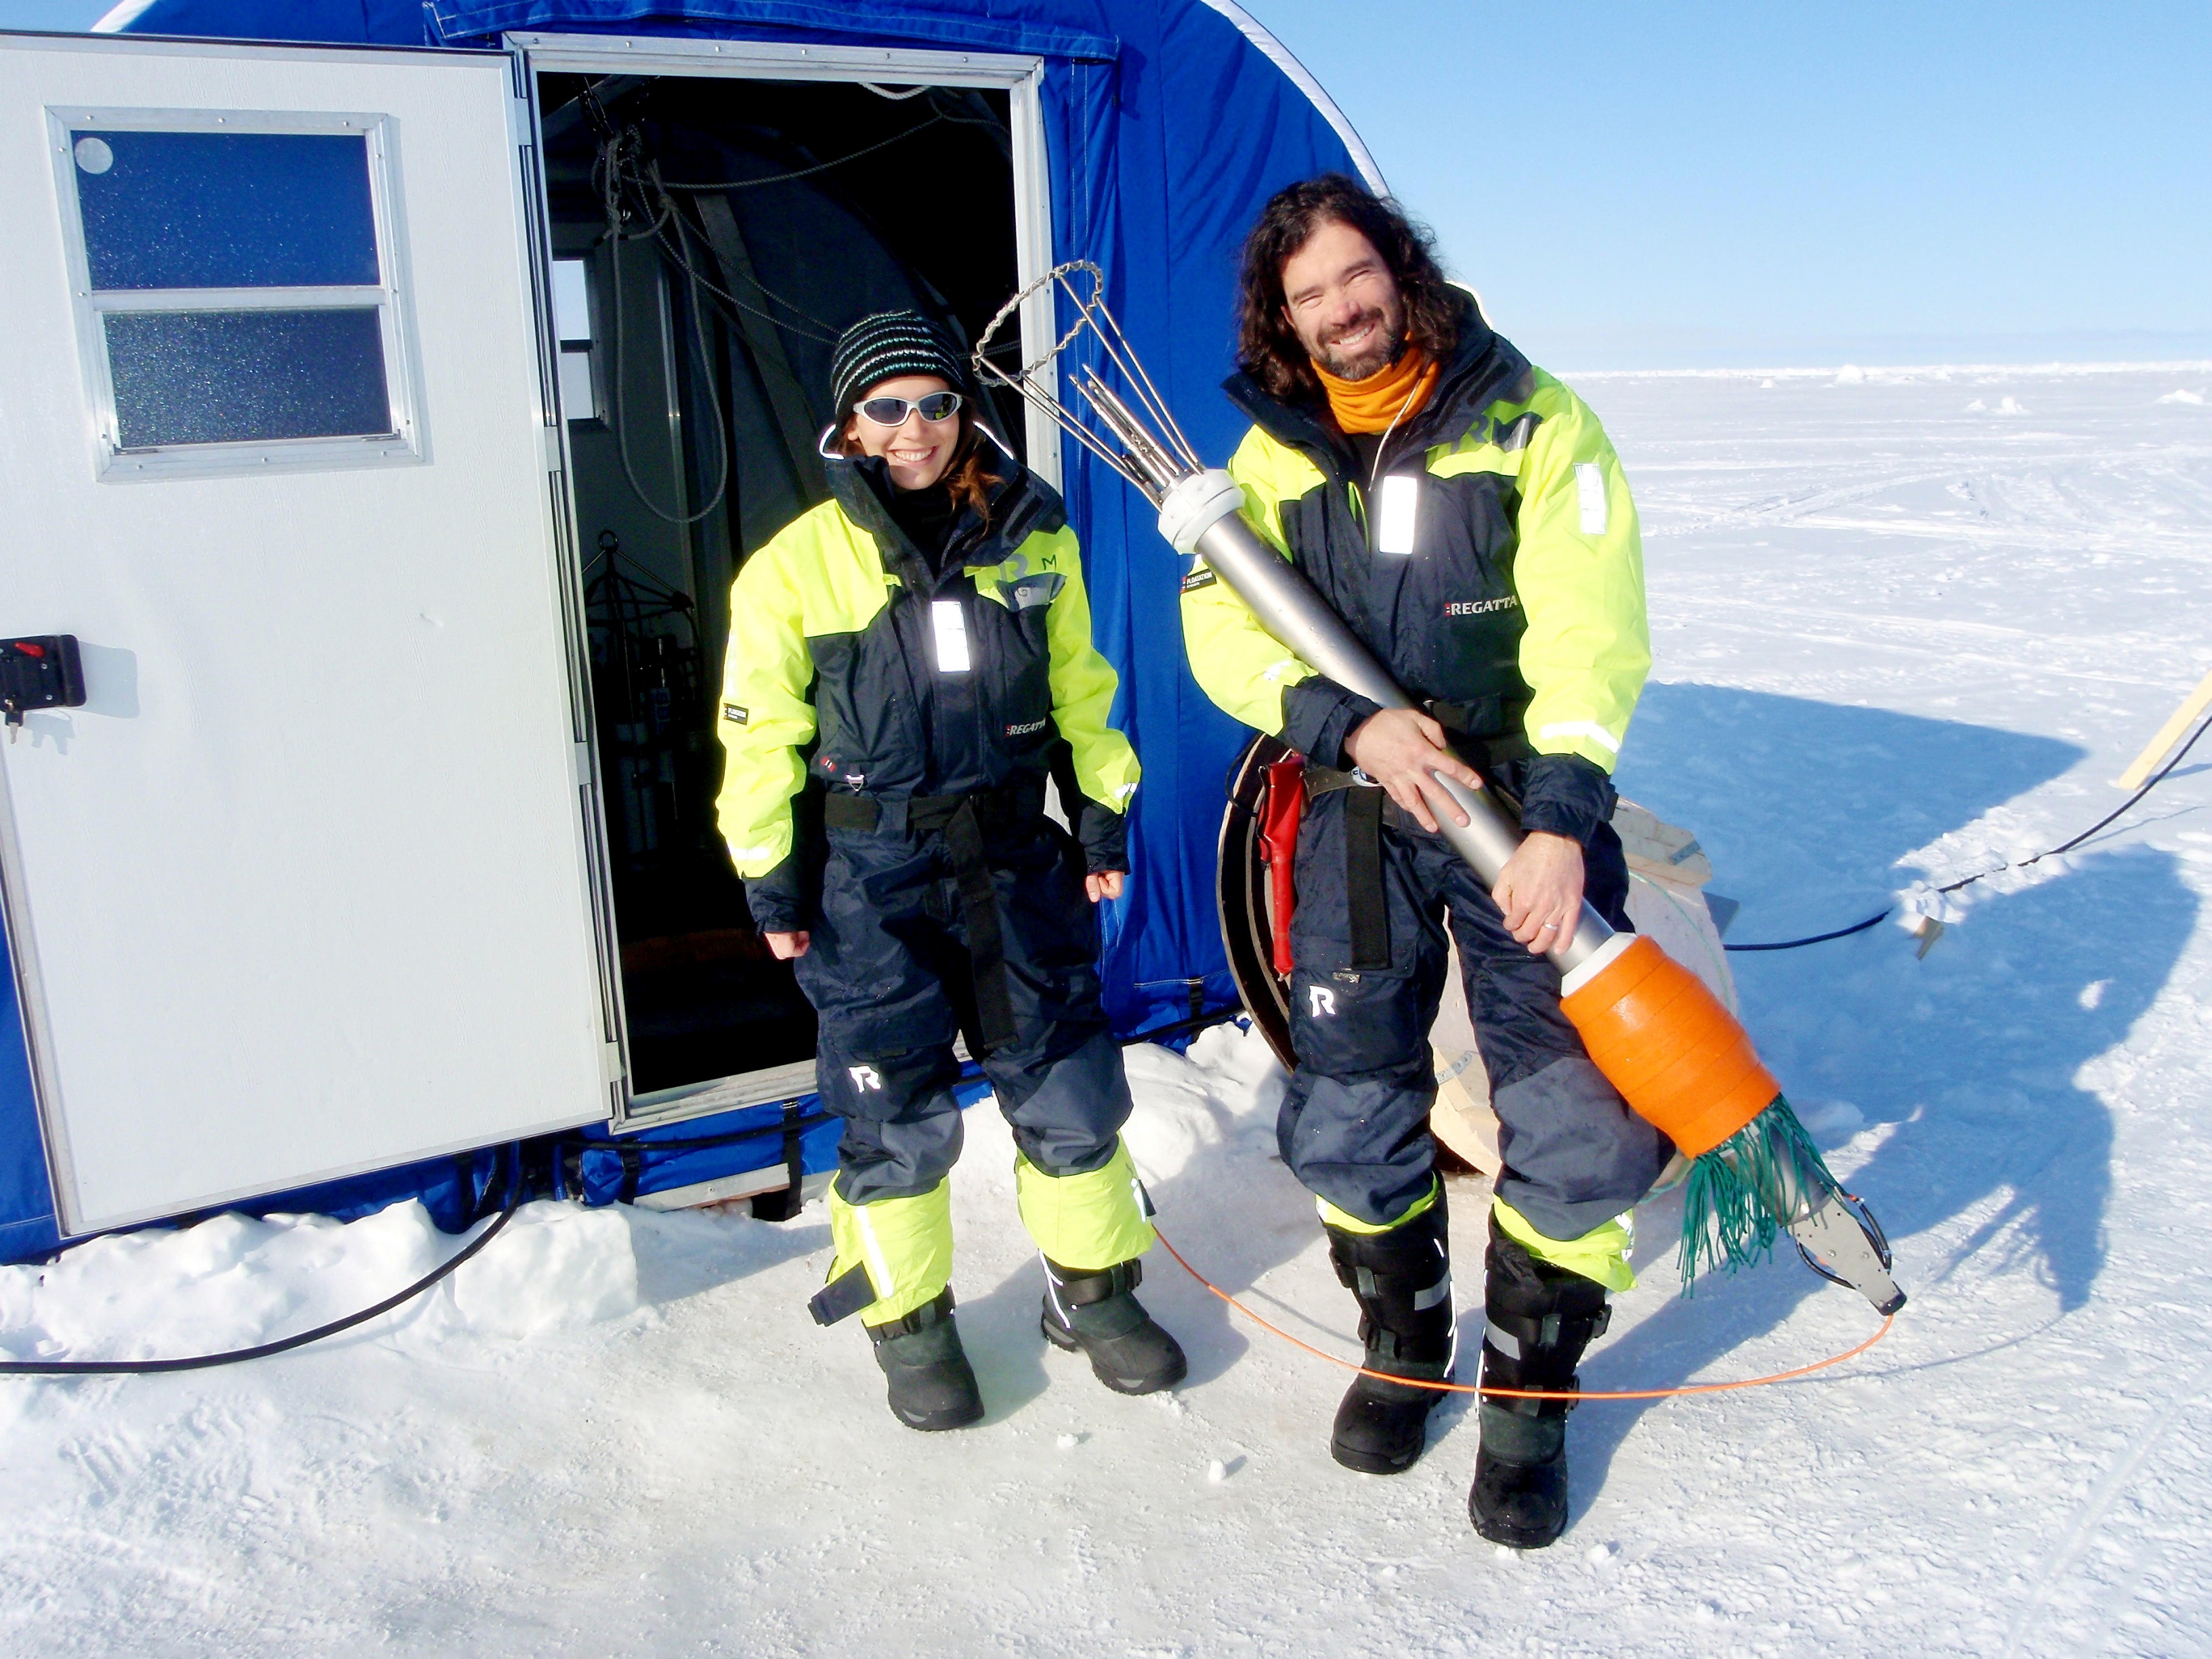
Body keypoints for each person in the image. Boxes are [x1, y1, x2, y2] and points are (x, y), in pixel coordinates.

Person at [1180, 177, 1666, 1547]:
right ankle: (1403, 1338)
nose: (1338, 309)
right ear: (1280, 318)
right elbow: (1225, 634)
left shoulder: (1529, 419)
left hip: (1512, 797)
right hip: (1350, 800)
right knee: (1348, 1091)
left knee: (1572, 1103)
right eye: (1306, 294)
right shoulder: (1268, 458)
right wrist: (1350, 724)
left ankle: (1527, 1399)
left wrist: (1563, 816)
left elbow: (1591, 624)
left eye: (1352, 276)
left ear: (1399, 266)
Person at [716, 310, 1187, 1431]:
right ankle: (909, 1319)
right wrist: (769, 877)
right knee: (893, 1108)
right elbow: (757, 733)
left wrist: (1101, 818)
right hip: (870, 876)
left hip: (1015, 856)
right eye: (888, 407)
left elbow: (1082, 689)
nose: (915, 427)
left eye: (934, 402)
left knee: (1067, 1083)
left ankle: (1091, 1292)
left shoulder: (1033, 535)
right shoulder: (796, 566)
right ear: (850, 425)